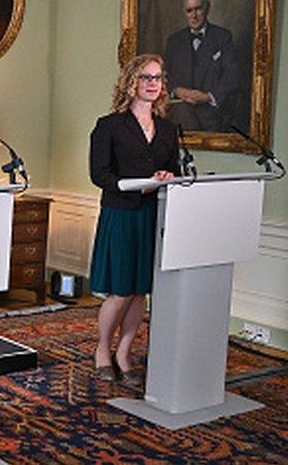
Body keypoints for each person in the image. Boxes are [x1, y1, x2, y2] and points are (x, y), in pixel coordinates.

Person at [88, 53, 180, 388]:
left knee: (141, 289)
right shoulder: (109, 126)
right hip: (122, 212)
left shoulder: (169, 129)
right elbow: (99, 174)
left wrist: (166, 174)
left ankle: (124, 354)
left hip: (152, 214)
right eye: (146, 77)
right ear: (131, 82)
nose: (153, 84)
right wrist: (132, 185)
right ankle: (102, 349)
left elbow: (175, 169)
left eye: (158, 78)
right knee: (121, 291)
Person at [163, 0, 241, 132]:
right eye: (189, 11)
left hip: (213, 115)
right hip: (180, 116)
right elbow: (164, 75)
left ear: (207, 8)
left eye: (198, 9)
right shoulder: (174, 40)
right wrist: (178, 90)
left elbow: (232, 76)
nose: (194, 15)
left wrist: (208, 97)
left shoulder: (223, 37)